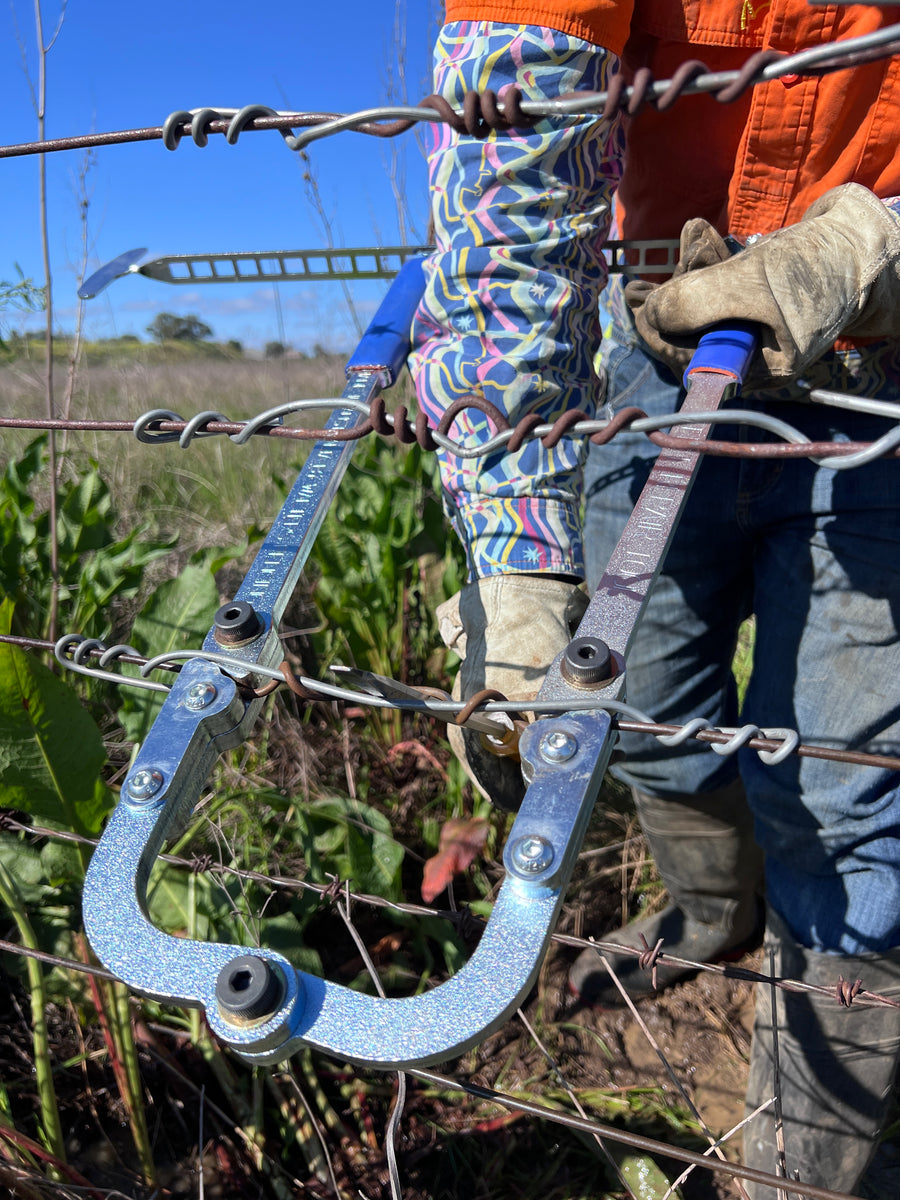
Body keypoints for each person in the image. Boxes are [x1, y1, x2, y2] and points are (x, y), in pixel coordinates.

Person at [408, 3, 900, 1197]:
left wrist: (880, 247)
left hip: (882, 382)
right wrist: (515, 548)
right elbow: (513, 193)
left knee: (840, 791)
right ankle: (712, 917)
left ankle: (817, 1160)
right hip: (658, 347)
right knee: (647, 715)